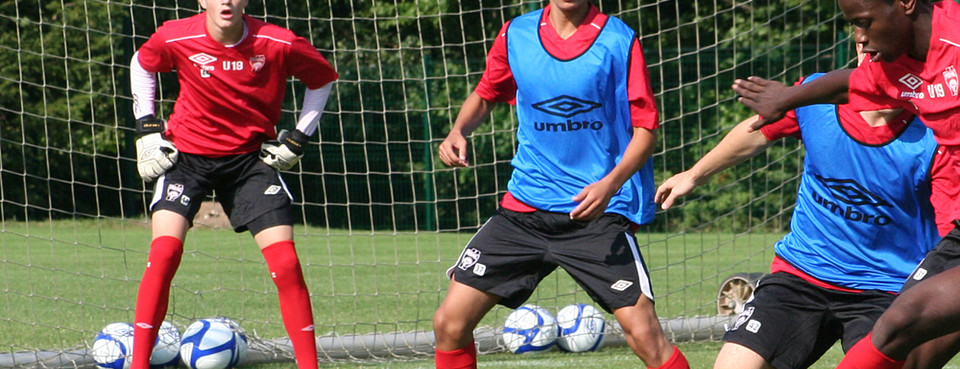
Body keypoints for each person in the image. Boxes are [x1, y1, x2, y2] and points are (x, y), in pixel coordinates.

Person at [431, 1, 689, 368]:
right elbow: (488, 92)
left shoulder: (618, 39)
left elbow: (647, 131)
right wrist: (459, 130)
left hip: (595, 214)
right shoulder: (516, 34)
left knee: (646, 337)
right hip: (525, 212)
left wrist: (609, 185)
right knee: (449, 323)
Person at [658, 70, 946, 369]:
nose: (873, 56)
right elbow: (758, 131)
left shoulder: (936, 132)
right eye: (864, 43)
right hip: (801, 276)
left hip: (887, 289)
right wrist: (694, 175)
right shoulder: (815, 95)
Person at [730, 0, 960, 368]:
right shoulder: (904, 65)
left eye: (865, 22)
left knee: (905, 326)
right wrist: (788, 97)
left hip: (884, 280)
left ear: (905, 4)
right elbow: (851, 86)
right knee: (902, 328)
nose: (863, 39)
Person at [128, 0, 338, 368]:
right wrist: (146, 125)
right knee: (163, 254)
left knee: (286, 263)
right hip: (187, 160)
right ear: (201, 1)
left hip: (249, 162)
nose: (225, 0)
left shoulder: (279, 42)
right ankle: (139, 364)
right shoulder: (176, 34)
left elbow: (321, 79)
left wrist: (300, 136)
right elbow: (141, 64)